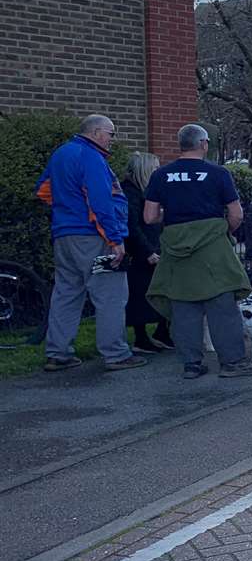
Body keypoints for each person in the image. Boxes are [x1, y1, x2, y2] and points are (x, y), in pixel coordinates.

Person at [143, 124, 252, 379]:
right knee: (222, 305)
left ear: (180, 145)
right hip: (213, 247)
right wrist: (223, 230)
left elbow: (149, 217)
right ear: (204, 144)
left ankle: (191, 364)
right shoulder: (218, 174)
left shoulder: (161, 175)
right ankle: (232, 363)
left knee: (183, 306)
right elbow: (236, 213)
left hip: (176, 248)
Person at [35, 115, 143, 372]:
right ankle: (116, 354)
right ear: (95, 132)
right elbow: (101, 201)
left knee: (66, 293)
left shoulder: (61, 154)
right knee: (111, 294)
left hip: (64, 236)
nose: (112, 140)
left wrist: (68, 212)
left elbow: (44, 190)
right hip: (95, 237)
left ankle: (57, 353)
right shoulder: (92, 157)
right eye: (110, 134)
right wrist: (115, 240)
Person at [121, 152, 172, 354]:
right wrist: (147, 251)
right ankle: (141, 337)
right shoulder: (130, 194)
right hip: (141, 253)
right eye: (155, 168)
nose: (158, 172)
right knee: (140, 294)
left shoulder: (145, 192)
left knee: (163, 291)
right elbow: (132, 226)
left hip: (153, 247)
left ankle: (161, 331)